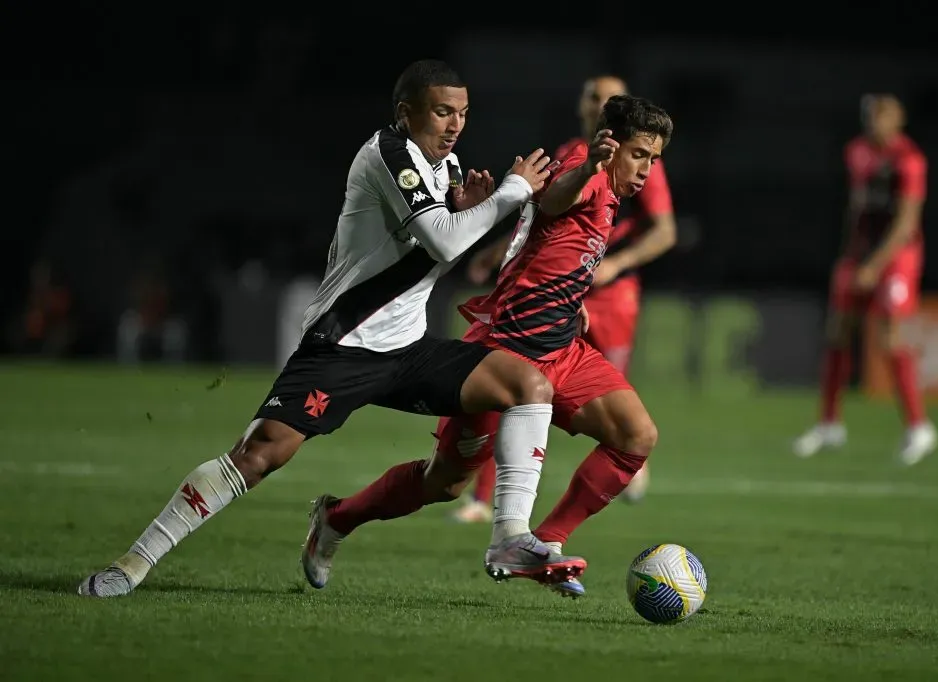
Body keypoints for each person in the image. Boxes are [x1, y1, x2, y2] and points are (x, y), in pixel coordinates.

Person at [78, 59, 586, 598]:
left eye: (462, 113)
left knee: (528, 385)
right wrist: (508, 194)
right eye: (441, 112)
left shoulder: (448, 168)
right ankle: (132, 564)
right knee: (259, 454)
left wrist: (472, 208)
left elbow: (439, 244)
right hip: (344, 344)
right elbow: (441, 241)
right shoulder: (389, 154)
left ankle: (509, 536)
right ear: (405, 113)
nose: (455, 124)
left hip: (406, 348)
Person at [310, 94, 673, 598]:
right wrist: (589, 164)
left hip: (561, 349)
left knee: (636, 436)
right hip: (505, 353)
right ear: (610, 146)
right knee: (445, 484)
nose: (647, 169)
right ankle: (337, 518)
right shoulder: (586, 169)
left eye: (654, 159)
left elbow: (554, 241)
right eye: (640, 155)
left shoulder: (610, 190)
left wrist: (574, 297)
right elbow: (552, 199)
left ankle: (543, 541)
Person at [456, 75, 677, 517]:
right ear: (584, 104)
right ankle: (488, 503)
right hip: (553, 301)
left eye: (609, 96)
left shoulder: (637, 162)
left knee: (611, 406)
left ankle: (515, 520)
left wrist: (612, 266)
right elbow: (550, 212)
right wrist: (499, 251)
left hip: (606, 295)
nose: (599, 103)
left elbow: (664, 231)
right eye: (594, 95)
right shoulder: (581, 157)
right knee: (511, 397)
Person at [793, 94, 938, 466]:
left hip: (897, 256)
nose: (874, 122)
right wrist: (850, 257)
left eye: (883, 116)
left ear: (899, 119)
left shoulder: (910, 159)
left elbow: (906, 222)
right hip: (860, 253)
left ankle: (919, 427)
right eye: (871, 116)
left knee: (889, 334)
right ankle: (829, 424)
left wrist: (876, 265)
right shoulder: (856, 151)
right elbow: (857, 208)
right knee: (839, 331)